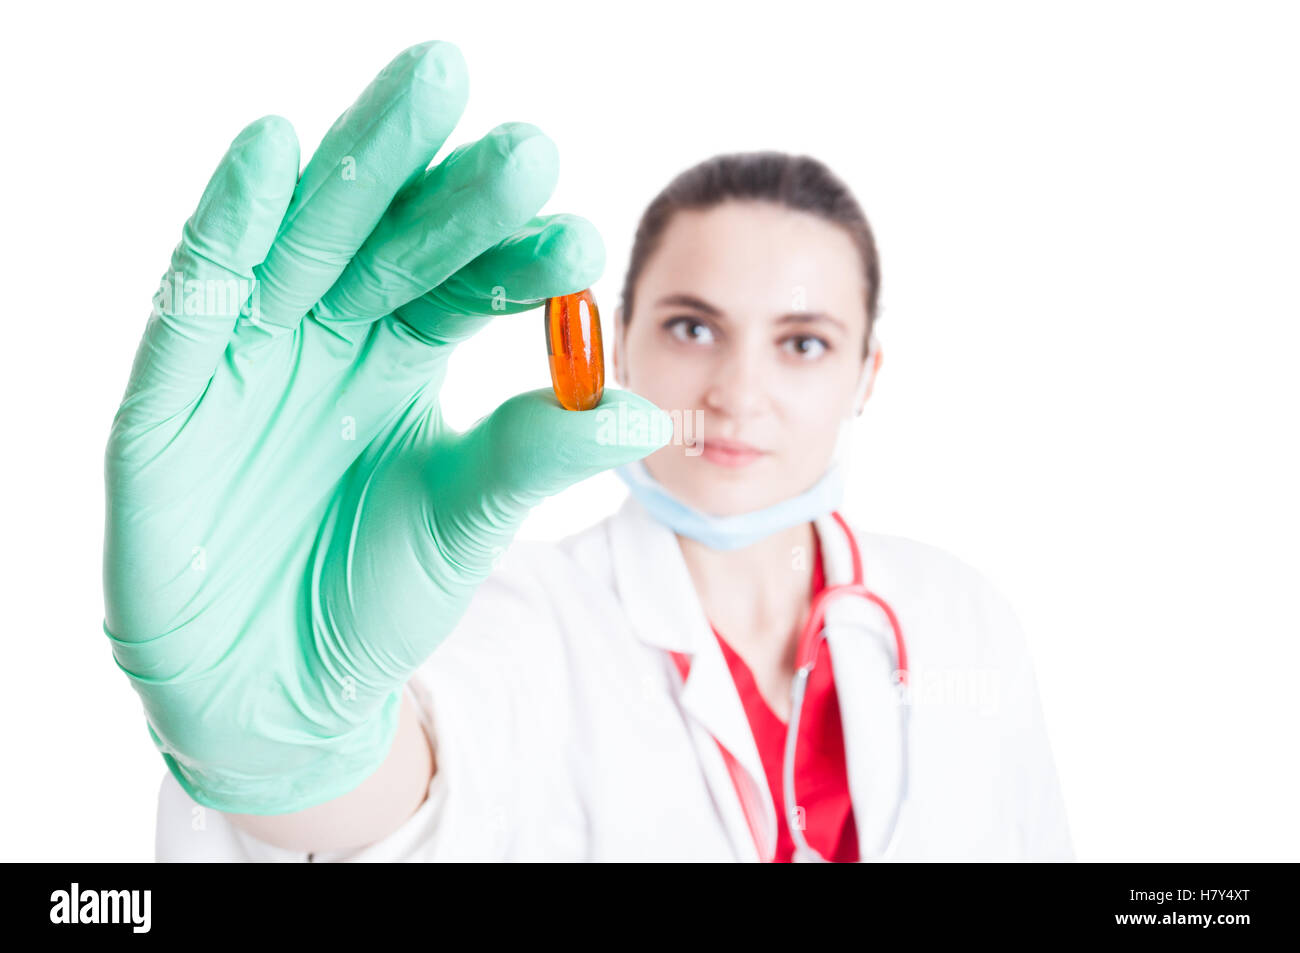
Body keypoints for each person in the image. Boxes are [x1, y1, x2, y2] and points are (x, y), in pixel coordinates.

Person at [105, 40, 1073, 862]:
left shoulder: (965, 620)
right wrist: (294, 758)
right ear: (620, 341)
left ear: (868, 372)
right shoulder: (507, 617)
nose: (737, 392)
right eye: (693, 327)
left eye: (803, 341)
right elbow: (409, 802)